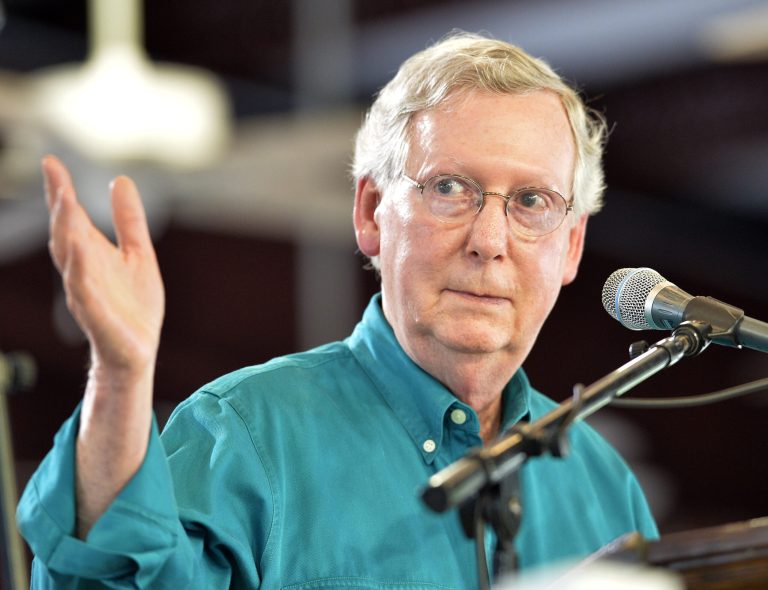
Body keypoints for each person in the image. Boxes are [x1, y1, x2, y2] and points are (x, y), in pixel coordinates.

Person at [17, 32, 658, 588]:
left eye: (532, 203)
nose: (489, 241)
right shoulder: (244, 436)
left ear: (571, 246)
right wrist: (120, 375)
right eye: (449, 188)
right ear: (370, 212)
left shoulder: (604, 486)